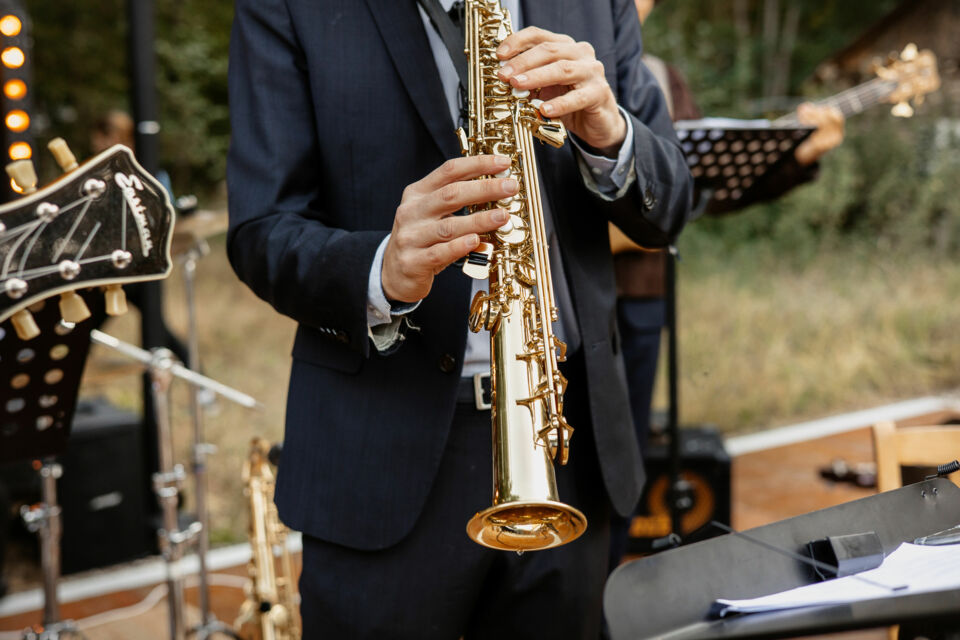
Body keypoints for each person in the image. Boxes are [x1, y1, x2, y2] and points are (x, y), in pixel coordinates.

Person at [227, 0, 694, 637]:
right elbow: (261, 230)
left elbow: (669, 204)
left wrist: (609, 131)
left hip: (568, 444)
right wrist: (382, 268)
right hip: (381, 456)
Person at [607, 0, 845, 570]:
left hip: (636, 298)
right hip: (543, 300)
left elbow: (708, 186)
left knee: (618, 460)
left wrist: (798, 154)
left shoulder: (663, 79)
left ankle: (599, 599)